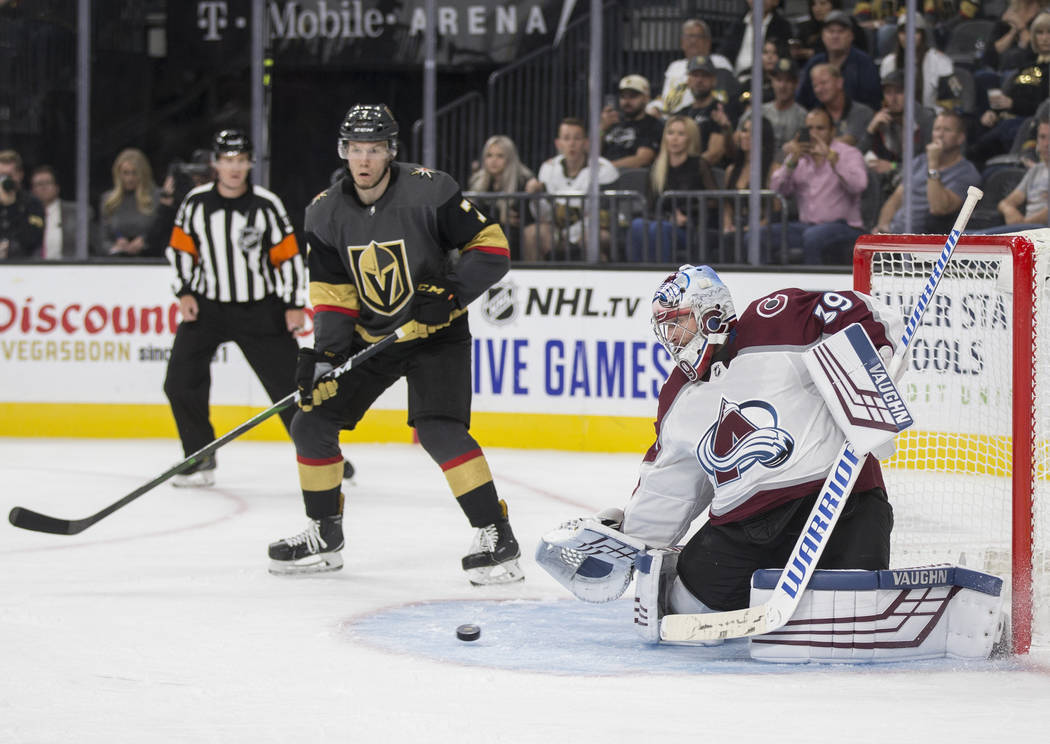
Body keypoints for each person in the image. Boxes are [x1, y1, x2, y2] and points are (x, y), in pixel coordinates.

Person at [538, 264, 898, 619]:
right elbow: (670, 485)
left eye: (678, 321)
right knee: (684, 609)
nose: (672, 336)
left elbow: (863, 311)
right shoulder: (679, 393)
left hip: (845, 499)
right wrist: (630, 541)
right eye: (664, 327)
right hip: (749, 522)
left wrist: (872, 360)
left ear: (711, 313)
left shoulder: (776, 318)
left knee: (858, 610)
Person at [267, 104, 523, 586]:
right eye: (357, 149)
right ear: (344, 152)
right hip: (374, 338)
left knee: (439, 431)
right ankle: (323, 535)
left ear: (391, 152)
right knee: (311, 423)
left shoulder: (431, 190)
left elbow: (492, 248)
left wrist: (449, 291)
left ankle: (496, 536)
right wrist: (325, 355)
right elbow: (334, 296)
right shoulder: (323, 213)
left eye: (375, 149)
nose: (365, 160)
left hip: (435, 333)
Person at [163, 129, 315, 488]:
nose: (234, 168)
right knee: (180, 382)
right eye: (227, 161)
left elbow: (289, 257)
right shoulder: (196, 203)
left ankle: (319, 455)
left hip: (259, 308)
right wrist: (184, 292)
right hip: (207, 307)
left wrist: (294, 303)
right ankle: (200, 455)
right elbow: (181, 250)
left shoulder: (266, 205)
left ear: (250, 163)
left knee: (291, 388)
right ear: (215, 164)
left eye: (241, 161)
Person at [768, 108, 868, 264]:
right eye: (809, 129)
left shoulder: (849, 153)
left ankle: (811, 289)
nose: (813, 134)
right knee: (759, 235)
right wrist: (791, 162)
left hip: (846, 226)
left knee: (813, 236)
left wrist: (833, 161)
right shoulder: (798, 156)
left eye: (820, 128)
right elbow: (776, 192)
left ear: (832, 131)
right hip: (804, 227)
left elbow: (859, 185)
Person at [522, 117, 619, 261]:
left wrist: (571, 235)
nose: (571, 144)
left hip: (591, 230)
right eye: (566, 138)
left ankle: (596, 281)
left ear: (586, 142)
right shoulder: (548, 168)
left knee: (592, 238)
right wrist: (535, 197)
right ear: (558, 143)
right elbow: (544, 217)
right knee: (531, 233)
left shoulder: (604, 170)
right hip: (558, 230)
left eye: (577, 138)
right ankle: (538, 281)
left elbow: (603, 217)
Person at [626, 115, 718, 262]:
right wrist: (668, 217)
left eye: (681, 134)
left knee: (659, 229)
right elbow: (649, 205)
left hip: (688, 227)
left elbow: (713, 200)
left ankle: (664, 279)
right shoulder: (657, 168)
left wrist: (686, 214)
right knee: (637, 225)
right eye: (670, 133)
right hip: (662, 220)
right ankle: (637, 274)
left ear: (690, 138)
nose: (674, 138)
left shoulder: (699, 165)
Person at [875, 111, 981, 234]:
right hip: (893, 235)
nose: (940, 135)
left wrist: (933, 164)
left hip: (924, 242)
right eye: (937, 129)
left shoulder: (967, 173)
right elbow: (896, 199)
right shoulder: (919, 161)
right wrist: (882, 228)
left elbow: (939, 208)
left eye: (947, 130)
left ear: (960, 138)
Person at [857, 70, 936, 200]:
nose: (893, 99)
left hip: (919, 184)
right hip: (890, 184)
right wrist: (870, 131)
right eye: (888, 93)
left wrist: (893, 167)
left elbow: (927, 163)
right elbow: (854, 157)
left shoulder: (926, 119)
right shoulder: (881, 119)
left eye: (899, 92)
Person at [796, 10, 882, 111]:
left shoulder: (865, 64)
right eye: (830, 31)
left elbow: (873, 104)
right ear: (823, 36)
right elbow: (800, 101)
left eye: (841, 31)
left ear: (851, 36)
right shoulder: (813, 64)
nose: (835, 36)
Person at [467, 135, 534, 260]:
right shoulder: (478, 182)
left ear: (509, 158)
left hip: (513, 242)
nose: (493, 161)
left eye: (500, 156)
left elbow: (522, 219)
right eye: (489, 155)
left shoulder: (523, 181)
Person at [648, 19, 733, 118]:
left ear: (708, 42)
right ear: (682, 43)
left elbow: (722, 97)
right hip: (669, 119)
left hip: (700, 115)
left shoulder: (718, 62)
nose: (693, 41)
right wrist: (655, 107)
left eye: (698, 36)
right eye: (688, 37)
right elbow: (662, 97)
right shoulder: (674, 67)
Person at [878, 15, 954, 111]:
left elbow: (949, 102)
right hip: (897, 119)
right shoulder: (888, 62)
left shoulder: (940, 61)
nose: (908, 37)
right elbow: (885, 100)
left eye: (914, 31)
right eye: (903, 32)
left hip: (932, 118)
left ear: (923, 35)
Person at [99, 148, 161, 258]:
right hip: (117, 261)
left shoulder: (156, 197)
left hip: (150, 260)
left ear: (143, 174)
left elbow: (162, 232)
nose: (130, 178)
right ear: (118, 174)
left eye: (134, 173)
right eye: (125, 173)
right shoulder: (108, 200)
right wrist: (114, 247)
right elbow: (103, 240)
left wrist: (145, 241)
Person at [678, 55, 736, 167]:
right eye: (695, 75)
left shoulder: (721, 111)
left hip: (711, 175)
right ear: (688, 80)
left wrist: (685, 169)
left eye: (705, 76)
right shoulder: (682, 113)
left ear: (714, 80)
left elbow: (714, 154)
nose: (699, 80)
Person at [993, 118, 1050, 228]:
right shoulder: (1035, 170)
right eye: (1042, 137)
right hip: (1026, 230)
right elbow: (1006, 202)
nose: (1047, 144)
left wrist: (1022, 225)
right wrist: (1009, 210)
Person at [29, 165, 96, 259]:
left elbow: (93, 246)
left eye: (48, 183)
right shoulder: (26, 214)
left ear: (57, 187)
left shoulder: (78, 212)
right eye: (39, 184)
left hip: (70, 268)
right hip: (33, 269)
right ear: (32, 190)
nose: (44, 188)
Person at [717, 0, 794, 80]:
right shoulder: (737, 25)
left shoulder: (782, 27)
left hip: (765, 81)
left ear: (776, 1)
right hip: (734, 80)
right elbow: (723, 54)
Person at [600, 75, 664, 169]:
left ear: (646, 98)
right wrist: (602, 128)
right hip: (601, 173)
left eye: (633, 96)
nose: (627, 101)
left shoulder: (652, 125)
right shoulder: (612, 121)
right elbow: (589, 152)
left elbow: (642, 159)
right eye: (623, 96)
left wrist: (607, 168)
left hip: (629, 177)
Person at [809, 62, 875, 146]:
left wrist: (817, 144)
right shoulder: (813, 116)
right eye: (815, 86)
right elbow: (803, 145)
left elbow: (850, 142)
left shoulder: (862, 112)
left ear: (839, 83)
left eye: (823, 83)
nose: (819, 89)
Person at [0, 149, 44, 260]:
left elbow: (32, 239)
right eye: (1, 175)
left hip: (23, 267)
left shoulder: (33, 203)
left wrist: (11, 206)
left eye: (9, 176)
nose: (5, 180)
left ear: (20, 175)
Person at [763, 57, 808, 162]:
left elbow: (805, 153)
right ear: (772, 82)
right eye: (778, 80)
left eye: (788, 81)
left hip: (790, 172)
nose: (782, 86)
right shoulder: (759, 112)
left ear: (796, 84)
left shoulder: (804, 117)